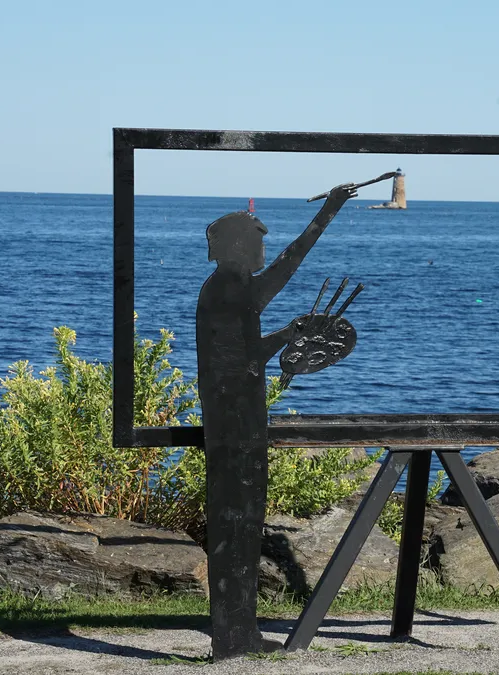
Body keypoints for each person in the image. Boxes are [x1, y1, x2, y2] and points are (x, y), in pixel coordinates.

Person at [196, 182, 357, 659]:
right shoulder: (230, 285)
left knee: (244, 526)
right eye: (259, 242)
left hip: (236, 418)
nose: (266, 250)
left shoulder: (227, 286)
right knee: (237, 524)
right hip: (235, 423)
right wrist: (327, 212)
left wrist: (286, 333)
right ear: (240, 246)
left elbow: (245, 351)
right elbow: (243, 358)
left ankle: (238, 634)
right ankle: (231, 637)